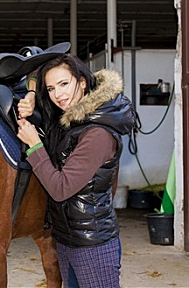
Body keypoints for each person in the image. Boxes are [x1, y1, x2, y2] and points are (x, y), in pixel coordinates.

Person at [16, 53, 135, 288]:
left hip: (93, 246)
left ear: (81, 82)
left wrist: (34, 146)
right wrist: (31, 93)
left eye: (64, 84)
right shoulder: (71, 122)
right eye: (50, 89)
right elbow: (34, 70)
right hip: (68, 241)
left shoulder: (97, 134)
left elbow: (61, 189)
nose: (57, 95)